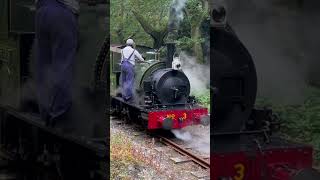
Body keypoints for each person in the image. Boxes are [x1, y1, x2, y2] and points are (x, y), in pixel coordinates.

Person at [35, 0, 79, 127]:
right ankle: (58, 115)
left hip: (42, 11)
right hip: (62, 11)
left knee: (43, 66)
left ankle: (45, 113)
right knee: (63, 64)